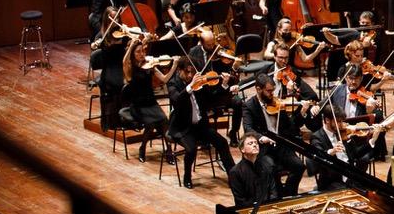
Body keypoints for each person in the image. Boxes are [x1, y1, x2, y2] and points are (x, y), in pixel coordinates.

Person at [166, 57, 235, 187]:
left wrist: (224, 85)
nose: (191, 75)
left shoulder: (200, 85)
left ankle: (233, 175)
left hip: (201, 126)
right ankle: (187, 176)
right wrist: (190, 87)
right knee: (191, 149)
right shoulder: (173, 84)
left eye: (192, 72)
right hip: (183, 128)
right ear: (179, 71)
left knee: (222, 142)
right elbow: (177, 100)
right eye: (187, 72)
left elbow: (214, 100)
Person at [241, 74, 313, 196]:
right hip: (263, 149)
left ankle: (289, 194)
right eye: (268, 91)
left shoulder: (277, 103)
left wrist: (302, 112)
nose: (272, 94)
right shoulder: (249, 106)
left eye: (273, 91)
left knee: (299, 166)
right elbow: (248, 128)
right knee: (271, 169)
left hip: (281, 146)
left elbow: (291, 127)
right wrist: (261, 138)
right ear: (258, 89)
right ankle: (277, 196)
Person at [121, 37, 173, 162]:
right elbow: (124, 62)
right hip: (138, 106)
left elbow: (164, 79)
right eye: (137, 52)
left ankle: (169, 151)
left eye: (142, 51)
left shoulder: (149, 66)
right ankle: (142, 148)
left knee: (164, 121)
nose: (141, 54)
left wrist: (174, 65)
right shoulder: (130, 69)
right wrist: (130, 48)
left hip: (151, 103)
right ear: (133, 54)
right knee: (151, 124)